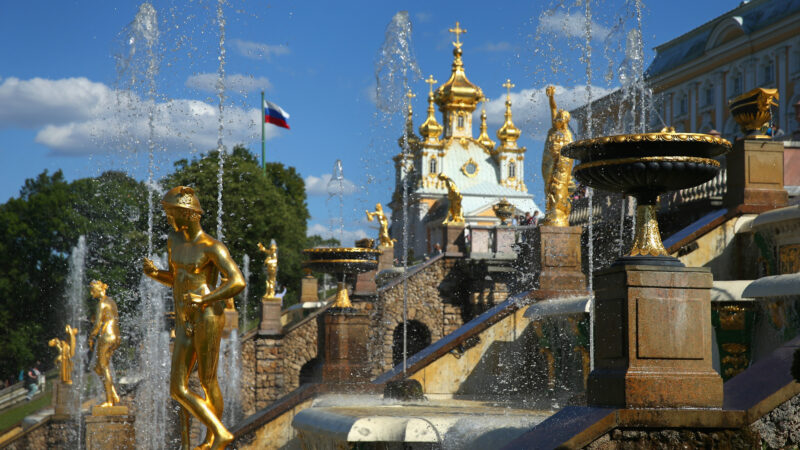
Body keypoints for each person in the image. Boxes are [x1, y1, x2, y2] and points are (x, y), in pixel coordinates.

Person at [143, 186, 245, 450]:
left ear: (188, 214)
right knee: (177, 387)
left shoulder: (212, 247)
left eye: (171, 212)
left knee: (207, 380)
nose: (168, 218)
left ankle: (213, 439)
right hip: (184, 320)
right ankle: (220, 432)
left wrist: (206, 299)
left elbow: (237, 282)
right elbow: (177, 278)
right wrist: (155, 274)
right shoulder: (174, 241)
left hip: (208, 316)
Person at [88, 280, 122, 407]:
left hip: (106, 336)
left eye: (93, 291)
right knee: (98, 368)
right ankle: (113, 395)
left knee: (104, 367)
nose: (92, 294)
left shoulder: (101, 304)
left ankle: (109, 401)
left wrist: (90, 338)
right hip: (116, 336)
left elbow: (97, 325)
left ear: (99, 289)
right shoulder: (111, 301)